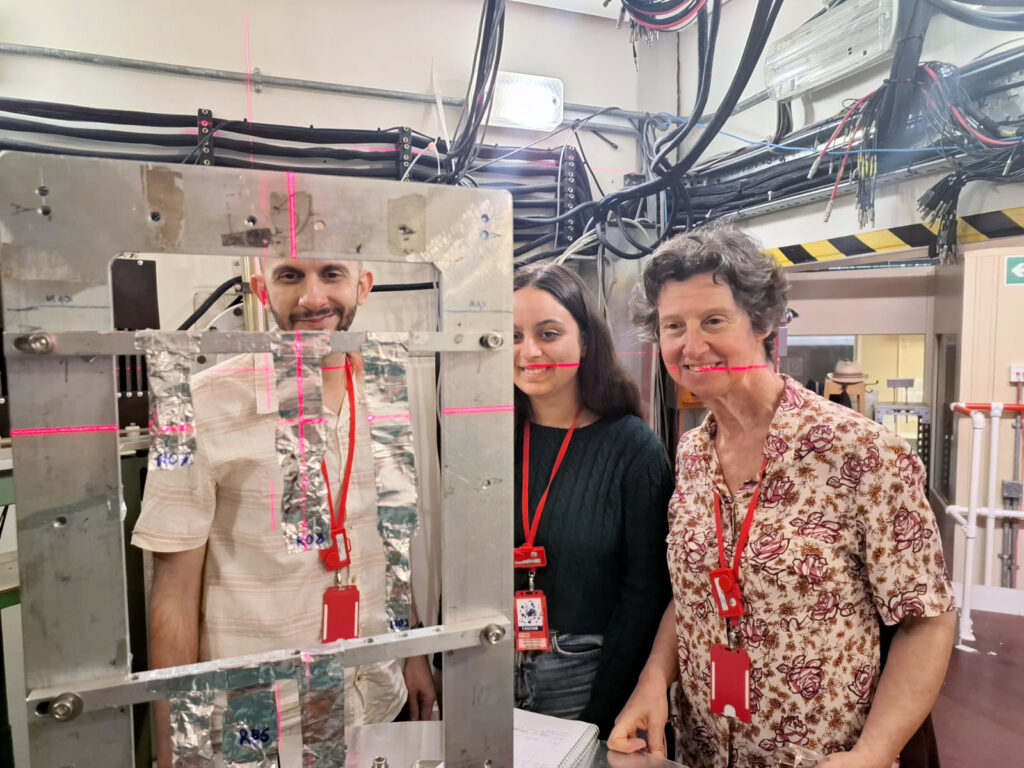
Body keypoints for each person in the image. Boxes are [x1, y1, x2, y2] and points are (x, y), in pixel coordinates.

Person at [608, 225, 956, 768]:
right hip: (703, 749)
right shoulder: (693, 454)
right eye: (673, 325)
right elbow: (696, 589)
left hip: (819, 756)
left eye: (713, 321)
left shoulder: (860, 453)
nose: (691, 345)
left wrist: (874, 752)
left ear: (763, 322)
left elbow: (926, 618)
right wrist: (653, 680)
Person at [132, 257, 436, 767]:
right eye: (291, 276)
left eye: (332, 274)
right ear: (260, 288)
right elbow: (173, 595)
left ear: (363, 284)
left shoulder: (386, 387)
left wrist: (414, 652)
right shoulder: (198, 403)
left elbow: (389, 541)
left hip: (376, 702)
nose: (313, 298)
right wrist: (172, 751)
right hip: (261, 728)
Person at [512, 263, 673, 739]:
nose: (529, 351)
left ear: (585, 340)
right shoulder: (484, 438)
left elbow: (646, 592)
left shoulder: (632, 447)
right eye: (513, 336)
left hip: (584, 674)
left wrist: (600, 717)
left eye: (547, 333)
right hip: (485, 663)